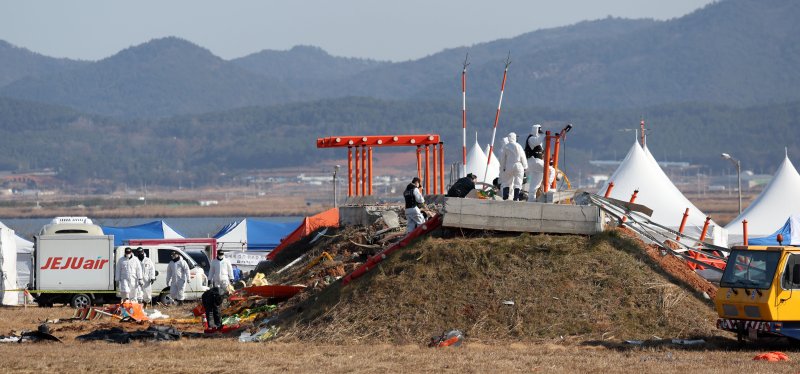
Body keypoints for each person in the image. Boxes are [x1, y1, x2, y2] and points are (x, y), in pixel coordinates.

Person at [500, 132, 528, 201]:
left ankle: (505, 197)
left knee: (506, 182)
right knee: (518, 182)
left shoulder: (506, 146)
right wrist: (525, 166)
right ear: (514, 137)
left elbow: (503, 159)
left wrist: (502, 167)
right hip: (518, 164)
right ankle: (516, 197)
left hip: (509, 165)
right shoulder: (518, 146)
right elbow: (523, 157)